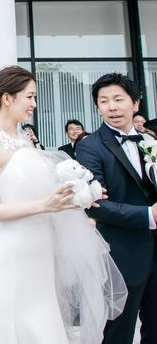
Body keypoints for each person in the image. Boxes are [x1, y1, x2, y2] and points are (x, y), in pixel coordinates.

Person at [0, 66, 127, 344]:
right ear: (7, 98)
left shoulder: (24, 139)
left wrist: (76, 196)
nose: (34, 104)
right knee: (19, 328)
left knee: (45, 324)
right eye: (29, 97)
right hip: (12, 251)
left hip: (41, 250)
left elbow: (36, 191)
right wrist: (44, 205)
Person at [78, 74, 157, 344]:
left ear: (135, 104)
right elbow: (95, 205)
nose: (111, 107)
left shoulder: (149, 141)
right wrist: (148, 215)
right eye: (104, 101)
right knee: (118, 333)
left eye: (118, 99)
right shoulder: (90, 147)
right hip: (123, 255)